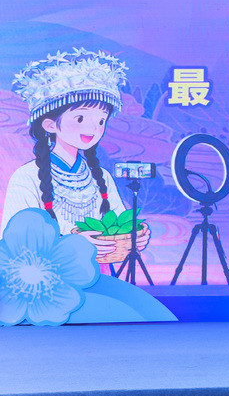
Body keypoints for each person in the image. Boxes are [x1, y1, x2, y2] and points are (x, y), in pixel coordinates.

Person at [3, 49, 149, 260]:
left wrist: (133, 235)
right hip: (46, 272)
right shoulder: (27, 176)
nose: (93, 128)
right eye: (80, 118)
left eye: (101, 121)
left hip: (100, 268)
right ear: (50, 125)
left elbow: (117, 224)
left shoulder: (102, 177)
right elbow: (13, 239)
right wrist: (71, 243)